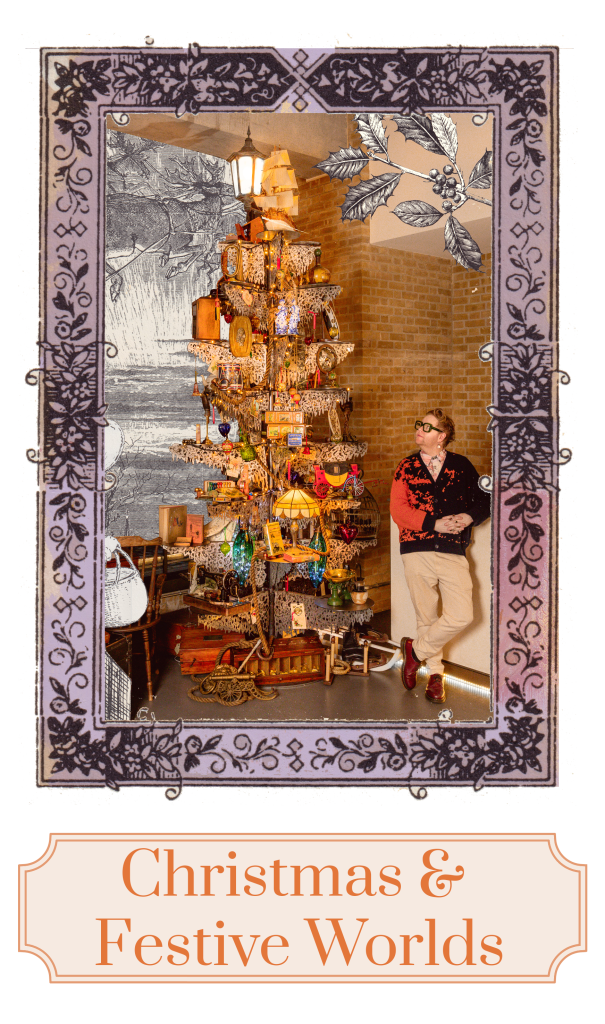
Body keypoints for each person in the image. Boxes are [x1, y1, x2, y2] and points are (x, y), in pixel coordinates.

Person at [390, 409, 491, 703]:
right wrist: (432, 523)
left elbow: (483, 499)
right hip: (416, 550)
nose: (419, 430)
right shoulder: (406, 467)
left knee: (462, 614)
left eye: (426, 427)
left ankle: (414, 652)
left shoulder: (461, 466)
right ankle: (435, 676)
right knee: (426, 616)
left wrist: (468, 517)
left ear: (442, 436)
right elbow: (398, 510)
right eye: (418, 424)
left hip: (452, 550)